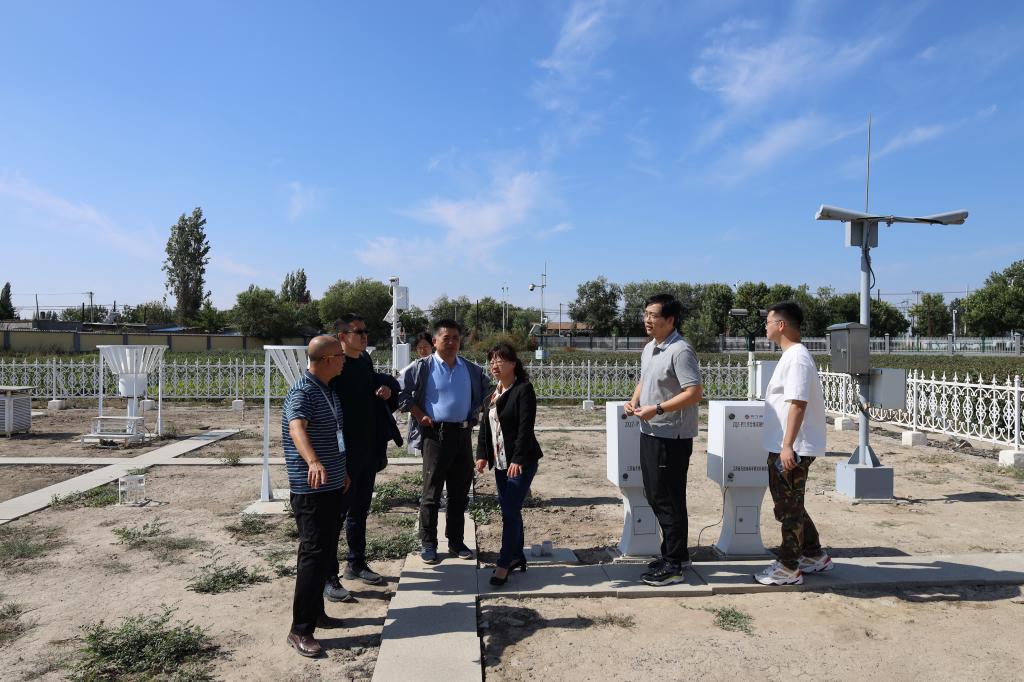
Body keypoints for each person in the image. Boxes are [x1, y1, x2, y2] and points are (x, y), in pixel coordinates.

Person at [624, 293, 703, 587]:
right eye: (646, 314)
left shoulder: (680, 351)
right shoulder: (651, 348)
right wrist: (633, 401)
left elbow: (694, 392)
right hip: (650, 431)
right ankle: (676, 555)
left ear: (670, 320)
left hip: (671, 436)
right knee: (658, 495)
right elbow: (645, 380)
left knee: (666, 498)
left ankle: (673, 565)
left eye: (654, 315)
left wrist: (657, 409)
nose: (648, 320)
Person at [399, 319, 492, 564]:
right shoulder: (423, 367)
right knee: (431, 492)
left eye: (455, 338)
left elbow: (489, 392)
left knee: (459, 492)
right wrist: (419, 414)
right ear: (435, 341)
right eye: (446, 338)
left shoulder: (470, 369)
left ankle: (456, 541)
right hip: (435, 436)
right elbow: (400, 390)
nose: (451, 342)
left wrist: (479, 409)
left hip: (463, 435)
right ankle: (429, 543)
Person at [324, 315, 402, 603]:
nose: (365, 335)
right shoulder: (335, 365)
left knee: (359, 510)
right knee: (336, 515)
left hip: (368, 449)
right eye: (359, 331)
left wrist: (386, 392)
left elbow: (369, 395)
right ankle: (328, 576)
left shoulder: (365, 361)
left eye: (366, 331)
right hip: (345, 453)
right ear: (342, 336)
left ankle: (356, 563)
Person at [755, 301, 832, 586]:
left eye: (768, 322)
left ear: (781, 325)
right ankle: (813, 554)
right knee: (792, 504)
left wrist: (787, 446)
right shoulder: (792, 355)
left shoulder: (797, 358)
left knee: (788, 509)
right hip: (786, 444)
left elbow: (798, 403)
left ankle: (788, 567)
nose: (765, 327)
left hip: (792, 447)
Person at [283, 335, 351, 658]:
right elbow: (297, 428)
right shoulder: (303, 392)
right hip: (312, 490)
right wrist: (312, 460)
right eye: (340, 355)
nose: (343, 360)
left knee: (324, 554)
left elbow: (334, 435)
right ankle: (300, 630)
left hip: (332, 484)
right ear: (326, 360)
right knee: (313, 555)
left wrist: (341, 470)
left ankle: (316, 613)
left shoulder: (327, 389)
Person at [475, 342, 543, 586]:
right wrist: (482, 455)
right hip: (501, 462)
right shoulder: (492, 394)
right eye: (492, 360)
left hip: (521, 462)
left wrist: (518, 459)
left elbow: (525, 427)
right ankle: (516, 556)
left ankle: (503, 563)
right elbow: (486, 428)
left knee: (509, 511)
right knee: (510, 510)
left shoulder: (523, 390)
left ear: (513, 363)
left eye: (500, 360)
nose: (495, 364)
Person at [401, 331, 436, 455]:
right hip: (425, 420)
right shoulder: (416, 367)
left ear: (433, 346)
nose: (423, 350)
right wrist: (418, 413)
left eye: (425, 346)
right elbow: (401, 390)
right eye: (419, 347)